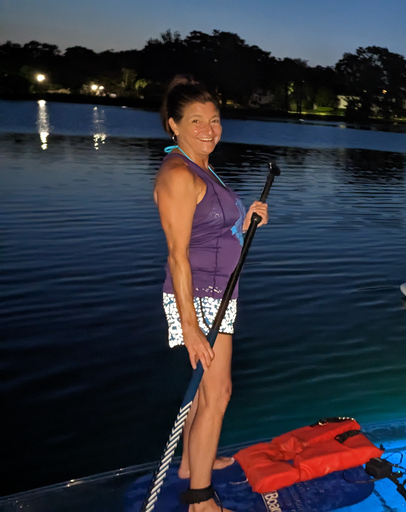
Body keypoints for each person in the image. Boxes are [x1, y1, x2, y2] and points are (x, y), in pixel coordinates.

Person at [155, 75, 268, 512]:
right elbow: (177, 256)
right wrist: (190, 326)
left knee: (206, 391)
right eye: (196, 121)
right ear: (174, 125)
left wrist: (245, 222)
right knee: (218, 393)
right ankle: (200, 500)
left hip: (218, 293)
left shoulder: (199, 164)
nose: (209, 129)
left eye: (215, 119)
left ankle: (190, 464)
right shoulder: (179, 174)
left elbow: (210, 230)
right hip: (200, 297)